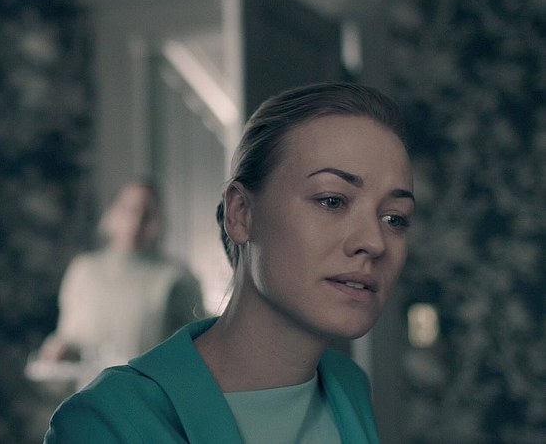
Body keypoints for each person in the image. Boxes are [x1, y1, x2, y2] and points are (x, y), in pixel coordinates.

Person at [44, 83, 415, 443]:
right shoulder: (106, 422)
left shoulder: (349, 387)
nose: (374, 242)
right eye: (332, 200)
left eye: (395, 218)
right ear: (241, 214)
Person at [35, 178, 206, 388]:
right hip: (90, 398)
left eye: (146, 213)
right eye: (128, 210)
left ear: (159, 221)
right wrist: (58, 351)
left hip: (147, 399)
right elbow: (69, 336)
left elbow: (195, 351)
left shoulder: (176, 278)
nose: (135, 220)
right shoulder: (83, 271)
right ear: (110, 214)